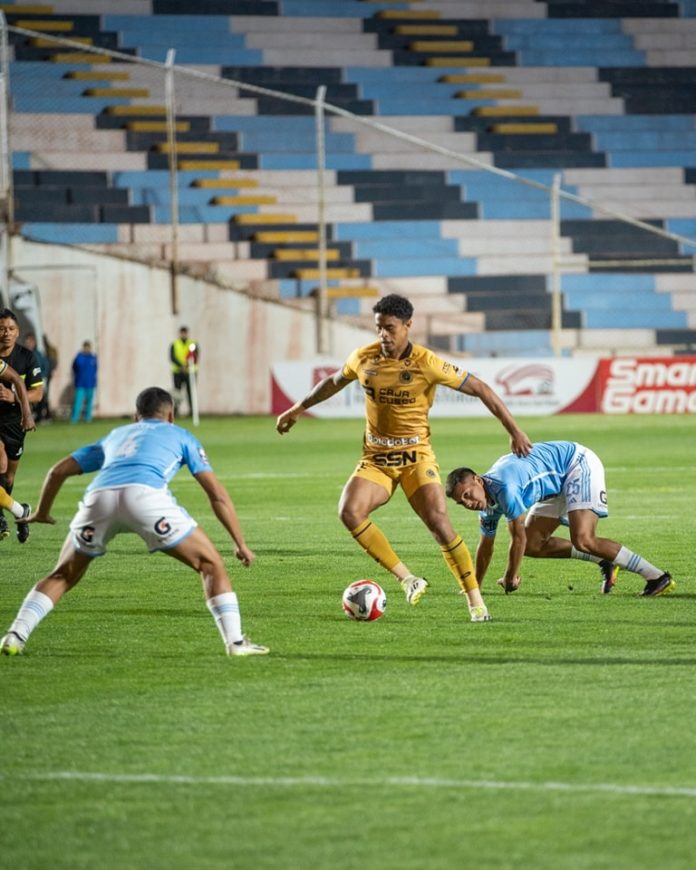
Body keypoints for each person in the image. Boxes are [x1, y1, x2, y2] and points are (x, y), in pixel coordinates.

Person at [275, 293, 532, 623]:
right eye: (379, 327)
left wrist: (514, 430)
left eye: (390, 328)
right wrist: (297, 409)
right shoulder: (363, 358)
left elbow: (480, 388)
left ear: (408, 325)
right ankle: (408, 579)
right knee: (349, 511)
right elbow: (333, 382)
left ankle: (476, 602)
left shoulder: (427, 363)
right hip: (377, 459)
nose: (383, 334)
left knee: (439, 523)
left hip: (416, 458)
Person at [0, 386, 268, 658]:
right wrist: (240, 543)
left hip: (99, 498)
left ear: (135, 417)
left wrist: (42, 512)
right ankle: (235, 642)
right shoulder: (181, 435)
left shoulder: (116, 435)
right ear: (171, 416)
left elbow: (57, 471)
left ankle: (15, 635)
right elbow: (217, 495)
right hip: (146, 499)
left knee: (63, 575)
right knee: (211, 564)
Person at [445, 440, 674, 598]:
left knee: (584, 539)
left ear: (478, 480)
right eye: (461, 502)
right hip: (552, 487)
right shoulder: (486, 505)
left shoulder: (506, 489)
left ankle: (657, 577)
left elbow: (517, 538)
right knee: (534, 544)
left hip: (576, 464)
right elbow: (486, 546)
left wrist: (510, 577)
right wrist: (474, 585)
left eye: (468, 495)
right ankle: (604, 561)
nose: (468, 503)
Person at [0, 308, 43, 543]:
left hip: (14, 422)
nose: (6, 333)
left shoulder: (26, 357)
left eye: (11, 329)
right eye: (1, 329)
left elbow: (38, 393)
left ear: (17, 332)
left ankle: (19, 511)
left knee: (8, 477)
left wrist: (14, 397)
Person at [170, 326, 199, 417]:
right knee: (177, 393)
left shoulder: (192, 344)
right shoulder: (174, 344)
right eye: (182, 333)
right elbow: (172, 357)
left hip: (190, 372)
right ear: (180, 333)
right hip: (177, 372)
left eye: (185, 333)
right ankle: (175, 412)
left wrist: (186, 366)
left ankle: (192, 412)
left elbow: (195, 356)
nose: (183, 335)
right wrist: (181, 366)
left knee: (191, 392)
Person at [22, 333, 50, 423]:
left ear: (34, 343)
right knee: (27, 398)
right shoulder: (22, 354)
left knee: (41, 397)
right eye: (27, 342)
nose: (29, 344)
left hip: (39, 380)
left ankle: (41, 416)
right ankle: (29, 415)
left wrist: (43, 376)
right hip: (27, 380)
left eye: (30, 342)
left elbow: (45, 366)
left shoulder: (38, 354)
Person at [70, 340, 98, 424]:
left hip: (90, 384)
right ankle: (74, 419)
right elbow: (74, 368)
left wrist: (94, 381)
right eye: (86, 347)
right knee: (78, 402)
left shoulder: (93, 358)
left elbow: (95, 370)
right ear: (83, 348)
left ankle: (88, 418)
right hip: (80, 383)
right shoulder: (79, 357)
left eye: (88, 347)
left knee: (89, 402)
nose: (87, 349)